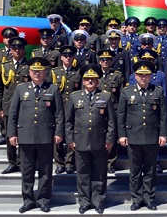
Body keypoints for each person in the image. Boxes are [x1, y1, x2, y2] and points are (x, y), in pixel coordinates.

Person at [7, 57, 64, 214]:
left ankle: (44, 200)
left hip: (46, 136)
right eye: (34, 71)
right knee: (27, 170)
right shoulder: (20, 89)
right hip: (25, 136)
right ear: (30, 72)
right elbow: (13, 113)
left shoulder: (53, 89)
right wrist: (12, 134)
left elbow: (59, 114)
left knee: (46, 171)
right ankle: (28, 200)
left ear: (45, 72)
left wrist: (59, 132)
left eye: (40, 71)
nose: (37, 74)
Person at [118, 60, 167, 211]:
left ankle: (149, 198)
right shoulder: (127, 92)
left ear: (151, 76)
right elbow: (121, 115)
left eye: (146, 75)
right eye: (140, 75)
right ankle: (137, 199)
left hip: (152, 136)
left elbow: (163, 115)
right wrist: (122, 135)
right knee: (135, 170)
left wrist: (163, 134)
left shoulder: (157, 92)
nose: (143, 78)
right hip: (133, 136)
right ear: (135, 76)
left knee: (150, 170)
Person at [66, 64, 116, 215]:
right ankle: (84, 202)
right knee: (83, 174)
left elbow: (111, 121)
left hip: (99, 141)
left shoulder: (105, 96)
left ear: (98, 81)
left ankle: (98, 201)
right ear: (82, 80)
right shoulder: (75, 97)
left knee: (100, 173)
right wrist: (70, 139)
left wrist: (109, 139)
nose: (90, 81)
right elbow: (68, 121)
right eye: (87, 79)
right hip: (80, 141)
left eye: (93, 79)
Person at [0, 37, 29, 174]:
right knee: (10, 135)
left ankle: (22, 161)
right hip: (9, 106)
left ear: (23, 50)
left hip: (25, 106)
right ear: (11, 50)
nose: (17, 50)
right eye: (14, 48)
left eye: (20, 48)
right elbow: (0, 90)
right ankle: (12, 162)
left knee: (23, 136)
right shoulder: (5, 66)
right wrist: (0, 109)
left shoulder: (29, 66)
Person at [51, 45, 80, 175]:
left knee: (70, 135)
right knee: (57, 136)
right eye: (65, 56)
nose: (68, 58)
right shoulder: (54, 72)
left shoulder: (78, 72)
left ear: (73, 57)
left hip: (73, 108)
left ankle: (69, 162)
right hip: (58, 107)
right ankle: (59, 163)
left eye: (70, 56)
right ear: (61, 57)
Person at [97, 49, 123, 174]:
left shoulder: (117, 76)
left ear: (112, 61)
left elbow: (121, 95)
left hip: (113, 109)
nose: (105, 62)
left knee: (111, 136)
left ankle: (111, 162)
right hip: (97, 111)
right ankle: (100, 162)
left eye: (107, 60)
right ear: (99, 61)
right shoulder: (94, 75)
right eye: (103, 59)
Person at [0, 27, 18, 146]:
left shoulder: (17, 51)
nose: (8, 39)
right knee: (1, 110)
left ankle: (12, 134)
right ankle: (3, 134)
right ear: (3, 39)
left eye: (10, 37)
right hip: (1, 83)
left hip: (13, 85)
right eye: (6, 37)